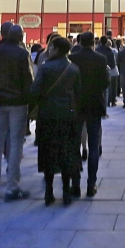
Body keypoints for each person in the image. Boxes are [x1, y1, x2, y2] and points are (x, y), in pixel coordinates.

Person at [0, 25, 34, 202]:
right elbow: (28, 79)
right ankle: (12, 186)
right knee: (15, 142)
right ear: (20, 37)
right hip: (18, 102)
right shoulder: (22, 53)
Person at [32, 37, 82, 205]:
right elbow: (78, 93)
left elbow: (35, 90)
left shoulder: (46, 69)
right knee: (66, 151)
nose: (49, 50)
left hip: (47, 114)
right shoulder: (73, 69)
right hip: (67, 115)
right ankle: (66, 191)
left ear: (57, 49)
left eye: (51, 47)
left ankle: (49, 191)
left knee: (48, 151)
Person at [68, 32, 109, 198]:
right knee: (93, 146)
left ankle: (75, 184)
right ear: (93, 42)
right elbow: (106, 83)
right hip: (94, 104)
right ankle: (91, 184)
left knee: (74, 144)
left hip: (76, 105)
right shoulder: (100, 59)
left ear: (79, 42)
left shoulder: (72, 58)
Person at [96, 36, 117, 108]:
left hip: (98, 71)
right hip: (107, 70)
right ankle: (106, 105)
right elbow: (113, 63)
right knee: (106, 89)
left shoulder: (97, 50)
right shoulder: (110, 51)